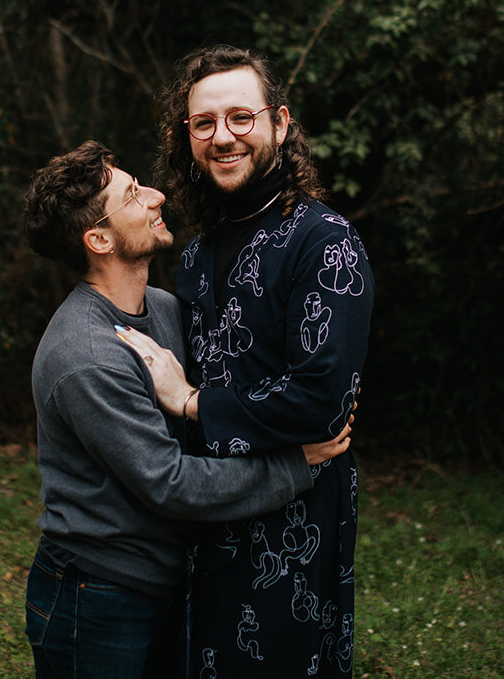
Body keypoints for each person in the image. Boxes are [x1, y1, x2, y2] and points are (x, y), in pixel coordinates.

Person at [20, 140, 351, 679]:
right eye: (132, 195)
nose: (155, 196)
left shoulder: (168, 310)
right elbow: (170, 483)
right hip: (97, 594)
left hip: (164, 582)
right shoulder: (87, 355)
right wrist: (294, 463)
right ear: (98, 239)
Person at [118, 45, 372, 677]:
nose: (222, 137)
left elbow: (321, 401)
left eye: (241, 118)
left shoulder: (324, 241)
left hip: (295, 520)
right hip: (207, 514)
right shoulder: (199, 251)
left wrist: (192, 401)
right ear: (188, 135)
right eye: (204, 123)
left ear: (279, 124)